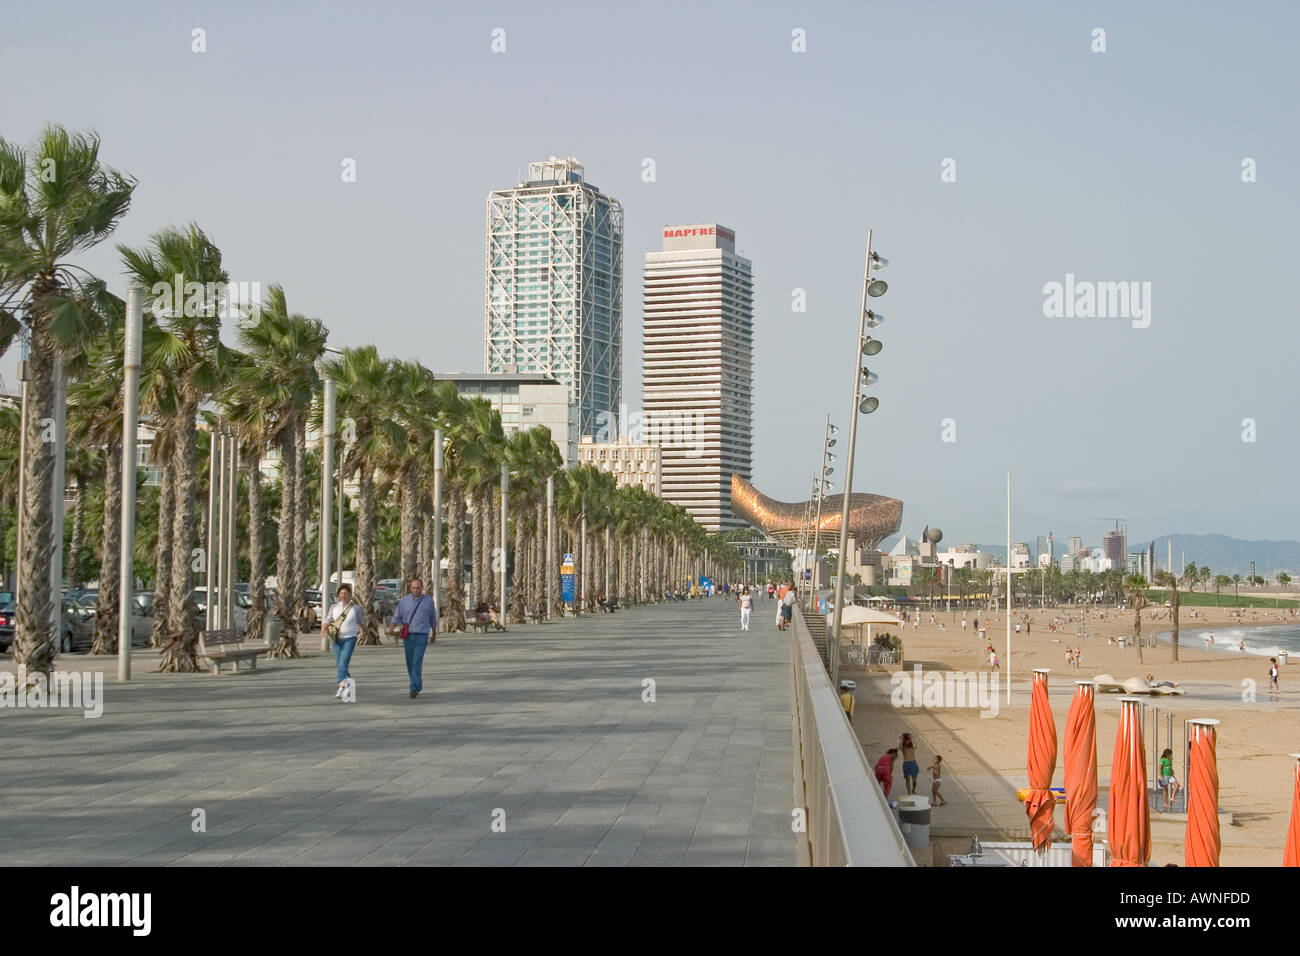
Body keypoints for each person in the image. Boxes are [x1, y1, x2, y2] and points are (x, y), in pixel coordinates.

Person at [389, 578, 437, 698]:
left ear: (422, 588)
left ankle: (414, 687)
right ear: (410, 588)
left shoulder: (428, 601)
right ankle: (415, 683)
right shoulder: (404, 601)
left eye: (418, 587)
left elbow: (433, 617)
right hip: (408, 635)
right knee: (410, 661)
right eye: (413, 588)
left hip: (422, 635)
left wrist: (434, 632)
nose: (416, 590)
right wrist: (392, 625)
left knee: (417, 660)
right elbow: (397, 614)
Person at [321, 584, 361, 700]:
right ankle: (348, 684)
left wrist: (366, 633)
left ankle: (341, 686)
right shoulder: (334, 607)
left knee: (343, 662)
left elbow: (362, 621)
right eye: (342, 593)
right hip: (337, 639)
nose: (344, 596)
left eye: (346, 593)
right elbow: (328, 620)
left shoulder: (356, 608)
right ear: (339, 595)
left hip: (350, 638)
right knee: (340, 663)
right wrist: (323, 630)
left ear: (350, 594)